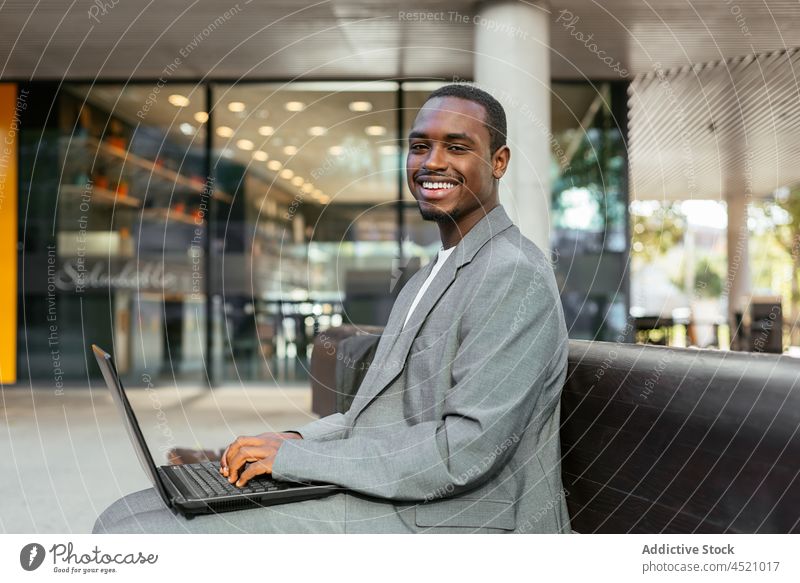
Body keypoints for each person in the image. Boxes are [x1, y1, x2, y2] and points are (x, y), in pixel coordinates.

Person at [93, 84, 571, 534]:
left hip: (454, 521)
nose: (433, 162)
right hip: (398, 498)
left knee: (141, 532)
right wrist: (292, 441)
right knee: (134, 511)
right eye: (420, 146)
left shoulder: (512, 273)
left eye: (457, 147)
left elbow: (464, 451)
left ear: (499, 161)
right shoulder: (430, 276)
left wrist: (296, 464)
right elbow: (370, 418)